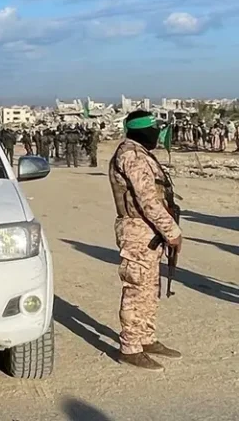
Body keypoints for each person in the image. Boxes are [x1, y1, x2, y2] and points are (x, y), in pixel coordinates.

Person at [108, 110, 183, 371]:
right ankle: (130, 346)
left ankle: (146, 338)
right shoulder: (131, 155)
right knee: (136, 289)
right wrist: (172, 232)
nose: (157, 134)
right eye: (154, 129)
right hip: (138, 231)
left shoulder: (140, 153)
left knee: (150, 289)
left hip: (149, 232)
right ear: (143, 130)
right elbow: (148, 201)